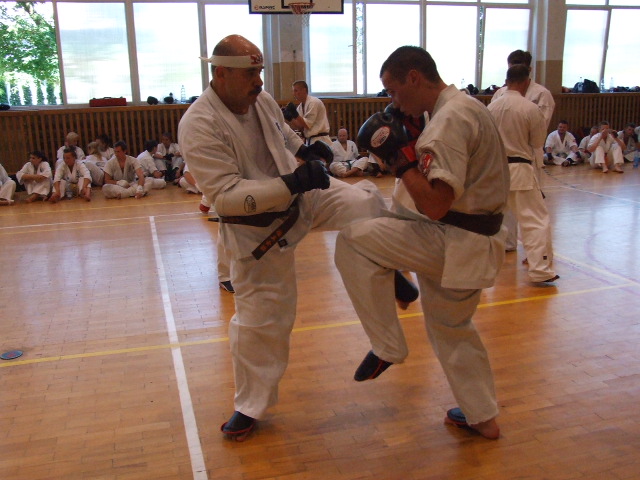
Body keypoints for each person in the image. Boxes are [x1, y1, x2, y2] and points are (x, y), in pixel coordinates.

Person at [179, 34, 391, 440]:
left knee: (364, 201)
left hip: (301, 199)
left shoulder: (259, 100)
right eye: (250, 73)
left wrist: (312, 154)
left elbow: (287, 138)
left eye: (260, 71)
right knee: (262, 324)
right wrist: (293, 181)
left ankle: (387, 280)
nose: (259, 81)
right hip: (257, 232)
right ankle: (249, 406)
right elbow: (225, 197)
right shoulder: (199, 123)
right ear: (220, 74)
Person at [343, 45, 509, 440]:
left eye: (393, 91)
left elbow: (435, 204)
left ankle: (388, 343)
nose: (392, 102)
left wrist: (401, 162)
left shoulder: (449, 120)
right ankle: (482, 416)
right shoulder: (461, 108)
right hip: (470, 243)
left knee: (353, 238)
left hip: (453, 239)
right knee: (451, 327)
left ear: (414, 78)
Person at [488, 64, 558, 284]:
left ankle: (483, 266)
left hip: (495, 172)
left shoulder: (491, 107)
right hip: (519, 169)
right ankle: (540, 270)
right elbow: (537, 142)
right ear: (527, 81)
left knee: (492, 221)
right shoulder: (529, 108)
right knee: (535, 220)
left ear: (506, 80)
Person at [282, 80, 332, 148]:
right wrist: (290, 118)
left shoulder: (313, 102)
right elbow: (301, 126)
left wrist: (295, 114)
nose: (294, 94)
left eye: (296, 91)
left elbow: (307, 125)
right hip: (310, 141)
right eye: (293, 91)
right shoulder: (300, 107)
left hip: (320, 140)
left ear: (304, 90)